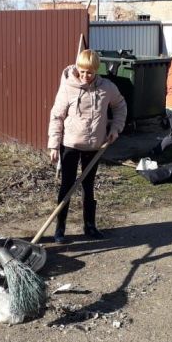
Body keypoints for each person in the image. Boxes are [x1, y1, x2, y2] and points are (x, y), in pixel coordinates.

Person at [47, 49, 127, 244]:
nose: (85, 76)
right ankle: (60, 229)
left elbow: (120, 106)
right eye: (82, 71)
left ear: (96, 70)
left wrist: (115, 129)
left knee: (89, 186)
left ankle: (90, 226)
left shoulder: (107, 87)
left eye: (89, 72)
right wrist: (53, 145)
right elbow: (57, 116)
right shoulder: (68, 87)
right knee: (66, 186)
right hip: (70, 145)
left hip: (94, 146)